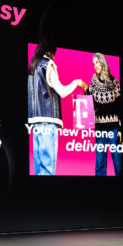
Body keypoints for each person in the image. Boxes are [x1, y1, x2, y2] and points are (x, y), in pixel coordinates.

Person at [27, 38, 85, 175]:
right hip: (48, 120)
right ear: (51, 51)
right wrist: (76, 82)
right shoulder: (48, 65)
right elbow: (62, 92)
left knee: (39, 168)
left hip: (35, 123)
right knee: (48, 169)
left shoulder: (33, 66)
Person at [86, 52, 122, 176]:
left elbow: (119, 106)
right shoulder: (93, 81)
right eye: (94, 63)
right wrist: (83, 87)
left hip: (114, 128)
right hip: (100, 128)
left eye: (97, 62)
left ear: (102, 62)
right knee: (100, 163)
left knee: (118, 163)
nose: (95, 65)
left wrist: (121, 129)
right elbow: (90, 101)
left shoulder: (113, 81)